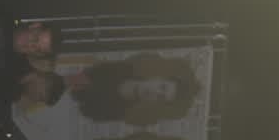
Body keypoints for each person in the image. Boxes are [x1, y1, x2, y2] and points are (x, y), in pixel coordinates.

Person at [66, 53, 200, 125]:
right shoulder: (116, 67)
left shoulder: (118, 112)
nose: (155, 92)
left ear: (156, 104)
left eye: (161, 97)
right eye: (162, 87)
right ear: (157, 77)